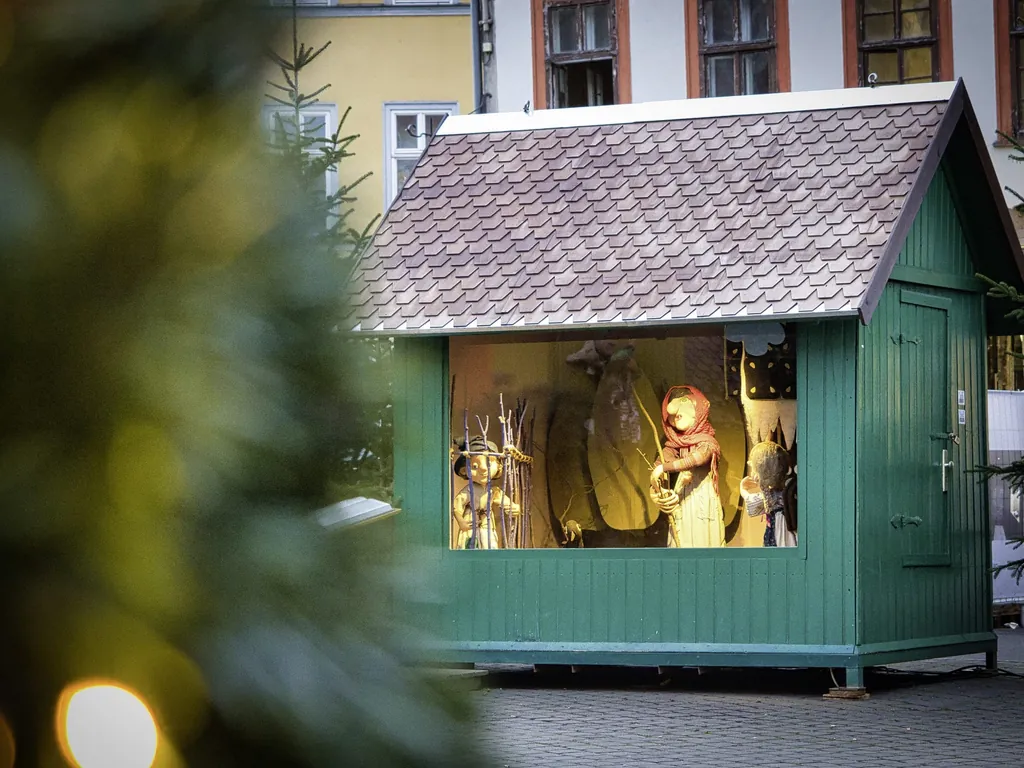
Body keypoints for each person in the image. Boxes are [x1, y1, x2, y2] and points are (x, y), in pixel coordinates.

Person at [649, 386, 725, 548]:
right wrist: (655, 490)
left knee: (703, 538)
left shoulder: (708, 443)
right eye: (672, 417)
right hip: (682, 497)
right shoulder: (674, 444)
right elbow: (660, 463)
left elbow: (697, 458)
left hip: (702, 497)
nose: (675, 418)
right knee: (682, 539)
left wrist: (664, 468)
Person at [452, 437, 520, 549]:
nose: (483, 469)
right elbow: (456, 507)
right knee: (470, 545)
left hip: (488, 524)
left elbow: (505, 502)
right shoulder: (469, 490)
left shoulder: (494, 491)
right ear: (464, 470)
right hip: (471, 523)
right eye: (475, 466)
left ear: (499, 467)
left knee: (490, 545)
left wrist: (514, 508)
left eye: (489, 463)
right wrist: (461, 522)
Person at [740, 441, 797, 547]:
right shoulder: (781, 492)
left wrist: (742, 489)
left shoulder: (775, 495)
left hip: (783, 532)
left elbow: (753, 503)